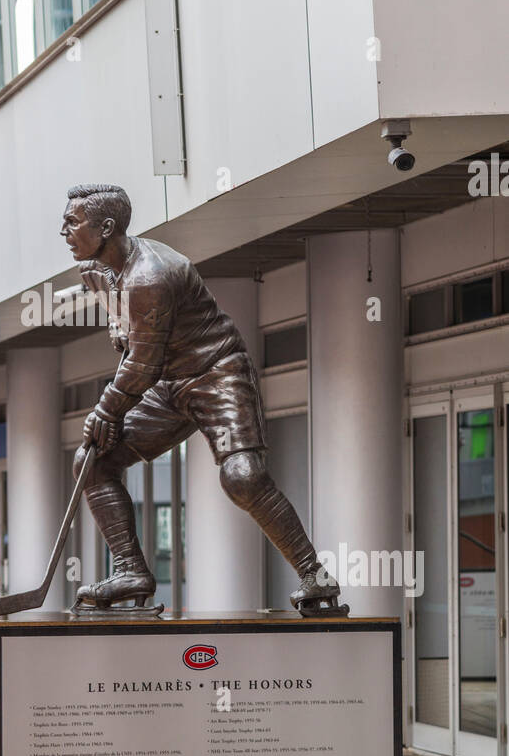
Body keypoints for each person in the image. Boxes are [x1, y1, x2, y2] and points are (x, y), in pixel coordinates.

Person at [61, 184, 347, 618]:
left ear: (106, 227)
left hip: (215, 373)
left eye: (73, 221)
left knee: (243, 477)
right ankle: (130, 570)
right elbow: (136, 349)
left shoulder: (150, 274)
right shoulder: (104, 272)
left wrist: (107, 409)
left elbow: (142, 361)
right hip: (166, 382)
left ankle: (314, 576)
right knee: (93, 460)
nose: (64, 229)